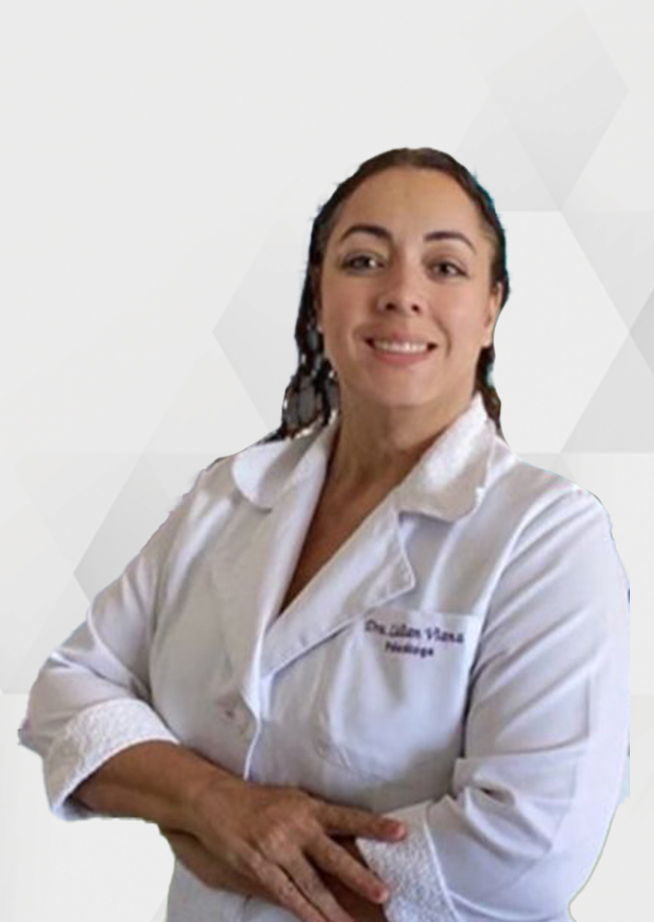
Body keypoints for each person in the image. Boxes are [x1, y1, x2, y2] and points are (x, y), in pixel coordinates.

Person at [18, 147, 630, 922]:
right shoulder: (230, 496)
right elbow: (68, 693)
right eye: (364, 260)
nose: (401, 293)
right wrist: (213, 806)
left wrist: (244, 859)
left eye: (444, 267)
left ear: (490, 309)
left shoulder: (546, 539)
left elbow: (529, 853)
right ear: (319, 296)